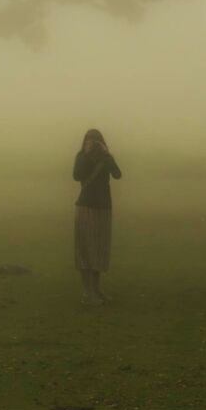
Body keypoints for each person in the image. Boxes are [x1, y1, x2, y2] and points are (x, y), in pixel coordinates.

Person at [72, 128, 122, 304]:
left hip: (103, 208)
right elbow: (76, 175)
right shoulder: (81, 157)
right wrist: (86, 155)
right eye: (89, 141)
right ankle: (87, 293)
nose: (93, 145)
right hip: (85, 206)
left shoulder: (105, 158)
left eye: (96, 142)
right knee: (85, 250)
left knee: (99, 250)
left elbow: (117, 174)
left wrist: (107, 155)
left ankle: (97, 290)